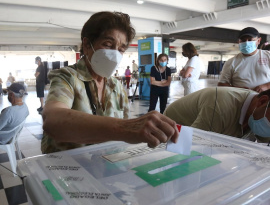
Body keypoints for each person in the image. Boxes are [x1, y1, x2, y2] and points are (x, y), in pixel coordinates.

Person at [41, 11, 178, 154]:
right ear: (87, 45)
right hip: (67, 168)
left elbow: (121, 141)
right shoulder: (67, 77)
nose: (115, 54)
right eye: (107, 44)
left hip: (106, 166)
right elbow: (52, 120)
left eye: (121, 49)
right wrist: (126, 128)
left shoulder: (116, 87)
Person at [164, 87, 270, 142]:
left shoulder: (257, 112)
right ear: (262, 102)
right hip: (172, 132)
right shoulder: (220, 108)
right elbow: (195, 145)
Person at [218, 27, 270, 93]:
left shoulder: (268, 56)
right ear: (238, 42)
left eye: (250, 39)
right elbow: (221, 84)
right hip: (241, 99)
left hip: (266, 99)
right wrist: (238, 89)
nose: (246, 43)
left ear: (258, 41)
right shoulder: (231, 62)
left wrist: (266, 86)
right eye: (243, 40)